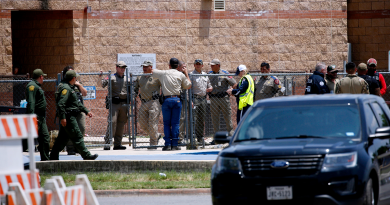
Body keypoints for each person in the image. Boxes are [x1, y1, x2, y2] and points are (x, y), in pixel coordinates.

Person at [50, 70, 98, 160]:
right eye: (75, 77)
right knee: (77, 136)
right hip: (68, 117)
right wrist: (63, 118)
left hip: (70, 116)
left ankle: (53, 156)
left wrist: (86, 111)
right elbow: (61, 104)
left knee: (62, 139)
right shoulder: (66, 88)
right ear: (73, 78)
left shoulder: (70, 87)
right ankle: (86, 155)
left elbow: (77, 103)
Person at [151, 58, 191, 151]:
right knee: (176, 123)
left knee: (166, 124)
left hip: (167, 100)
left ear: (169, 65)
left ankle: (167, 144)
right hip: (177, 100)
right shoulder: (180, 74)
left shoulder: (164, 73)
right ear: (177, 66)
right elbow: (188, 85)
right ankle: (175, 145)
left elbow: (151, 71)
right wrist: (186, 73)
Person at [98, 61, 130, 150]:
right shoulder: (111, 77)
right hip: (114, 104)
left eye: (124, 67)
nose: (122, 69)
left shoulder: (127, 79)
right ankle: (107, 143)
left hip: (124, 104)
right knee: (112, 122)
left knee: (121, 124)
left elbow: (132, 90)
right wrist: (100, 77)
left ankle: (117, 144)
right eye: (121, 67)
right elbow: (102, 84)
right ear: (116, 67)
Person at [58, 66, 88, 155]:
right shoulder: (64, 85)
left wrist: (79, 85)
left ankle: (78, 147)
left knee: (81, 128)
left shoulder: (77, 84)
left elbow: (85, 93)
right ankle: (70, 148)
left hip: (79, 110)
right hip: (69, 111)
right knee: (70, 131)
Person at [134, 60, 162, 150]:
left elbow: (164, 86)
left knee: (152, 123)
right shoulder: (140, 76)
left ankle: (153, 144)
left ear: (151, 67)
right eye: (143, 66)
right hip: (144, 102)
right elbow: (135, 88)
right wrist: (132, 97)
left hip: (154, 102)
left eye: (146, 67)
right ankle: (156, 135)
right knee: (142, 123)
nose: (144, 68)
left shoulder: (156, 76)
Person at [25, 69, 50, 161]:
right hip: (36, 116)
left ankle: (45, 159)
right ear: (40, 77)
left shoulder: (37, 86)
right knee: (27, 139)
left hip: (41, 117)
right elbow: (31, 102)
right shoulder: (32, 86)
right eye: (43, 76)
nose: (43, 78)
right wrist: (32, 117)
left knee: (45, 137)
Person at [208, 59, 237, 136]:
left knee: (227, 117)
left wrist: (231, 90)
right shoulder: (209, 74)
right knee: (214, 119)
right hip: (213, 98)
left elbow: (234, 84)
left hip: (224, 98)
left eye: (213, 65)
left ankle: (231, 135)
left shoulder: (225, 73)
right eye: (211, 65)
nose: (211, 67)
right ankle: (217, 137)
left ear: (218, 65)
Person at [189, 59, 213, 143]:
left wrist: (210, 88)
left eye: (199, 64)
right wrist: (190, 100)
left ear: (202, 66)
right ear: (194, 65)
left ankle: (200, 138)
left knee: (201, 119)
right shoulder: (191, 75)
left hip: (203, 99)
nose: (198, 65)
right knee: (193, 119)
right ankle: (192, 138)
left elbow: (209, 85)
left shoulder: (205, 75)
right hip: (195, 98)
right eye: (197, 64)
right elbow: (189, 88)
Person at [178, 61, 188, 144]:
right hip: (178, 98)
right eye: (183, 67)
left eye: (185, 67)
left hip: (184, 99)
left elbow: (188, 86)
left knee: (183, 118)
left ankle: (181, 137)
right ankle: (178, 137)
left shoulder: (186, 75)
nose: (185, 69)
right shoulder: (177, 74)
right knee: (179, 119)